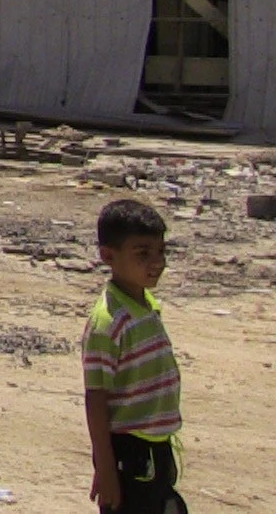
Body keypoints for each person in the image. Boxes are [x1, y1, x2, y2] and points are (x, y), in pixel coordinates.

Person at [82, 198, 185, 514]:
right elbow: (96, 398)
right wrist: (106, 469)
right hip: (130, 453)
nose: (157, 262)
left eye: (160, 251)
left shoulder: (146, 304)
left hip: (157, 447)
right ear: (108, 256)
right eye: (143, 253)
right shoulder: (109, 321)